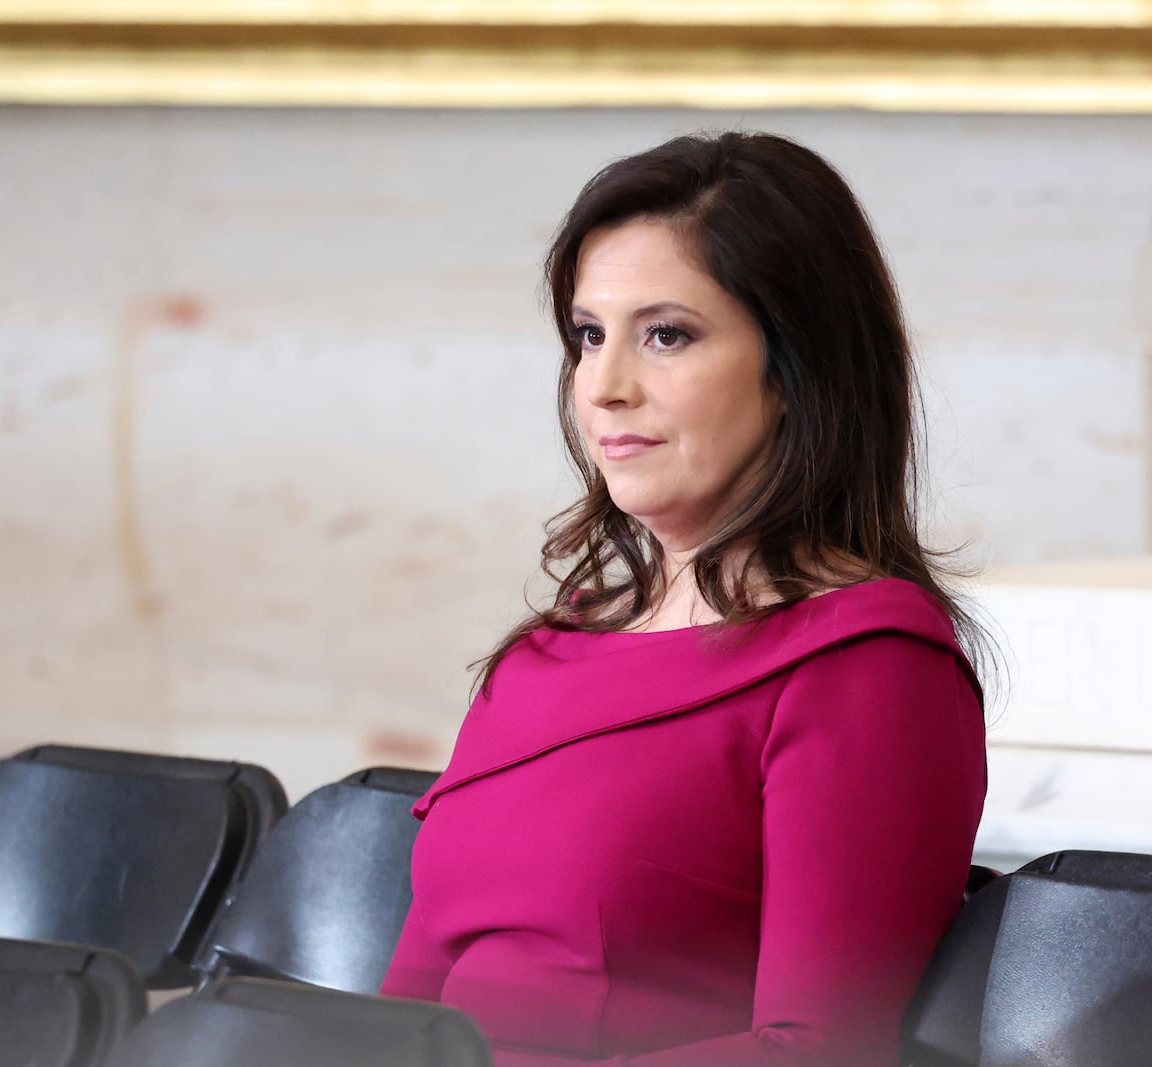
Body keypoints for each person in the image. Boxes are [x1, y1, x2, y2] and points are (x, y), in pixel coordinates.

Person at [379, 131, 991, 1066]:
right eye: (589, 336)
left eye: (667, 335)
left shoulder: (866, 662)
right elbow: (399, 1026)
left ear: (795, 369)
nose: (606, 388)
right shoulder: (541, 658)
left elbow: (817, 1051)